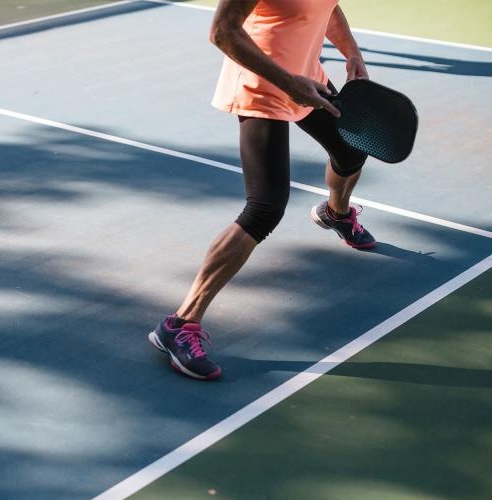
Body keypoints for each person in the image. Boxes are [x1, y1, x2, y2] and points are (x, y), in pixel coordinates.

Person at [148, 0, 376, 380]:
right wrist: (289, 84)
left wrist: (352, 52)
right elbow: (222, 31)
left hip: (307, 76)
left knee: (352, 150)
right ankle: (179, 324)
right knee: (266, 207)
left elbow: (328, 8)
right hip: (263, 86)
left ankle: (336, 213)